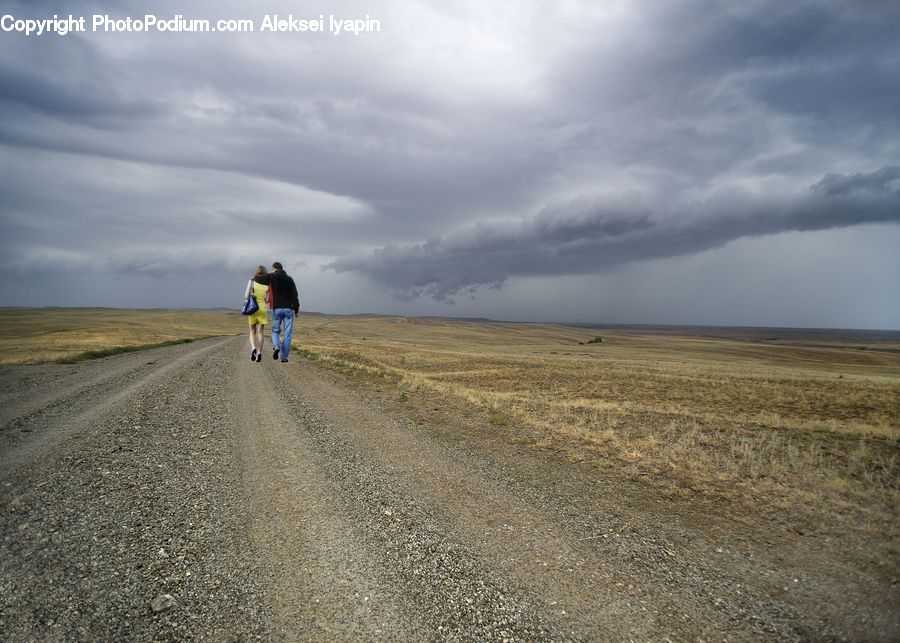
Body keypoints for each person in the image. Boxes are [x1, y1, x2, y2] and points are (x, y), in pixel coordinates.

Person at [268, 261, 299, 362]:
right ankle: (284, 357)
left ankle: (276, 346)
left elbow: (261, 279)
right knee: (288, 334)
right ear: (282, 269)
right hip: (288, 309)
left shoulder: (271, 277)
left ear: (274, 269)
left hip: (277, 308)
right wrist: (296, 309)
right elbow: (295, 295)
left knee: (275, 331)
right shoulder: (289, 279)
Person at [244, 266, 270, 362]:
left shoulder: (251, 281)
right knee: (260, 331)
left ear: (257, 272)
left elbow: (246, 296)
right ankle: (259, 353)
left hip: (252, 308)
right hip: (262, 309)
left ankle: (253, 348)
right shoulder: (267, 285)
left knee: (252, 330)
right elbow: (267, 300)